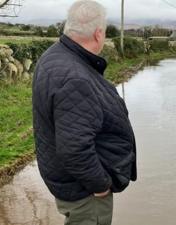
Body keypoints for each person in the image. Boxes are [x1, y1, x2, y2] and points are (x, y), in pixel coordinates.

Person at [32, 1, 136, 224]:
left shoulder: (54, 56)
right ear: (99, 34)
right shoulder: (75, 77)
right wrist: (101, 186)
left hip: (68, 181)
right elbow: (74, 149)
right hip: (86, 194)